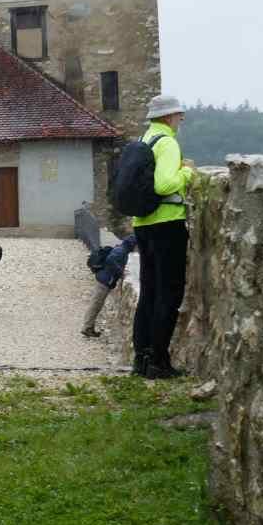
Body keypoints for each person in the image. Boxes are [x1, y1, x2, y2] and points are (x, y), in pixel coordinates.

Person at [131, 94, 197, 379]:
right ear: (169, 117)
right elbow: (164, 184)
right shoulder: (167, 142)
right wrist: (187, 173)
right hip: (168, 222)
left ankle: (142, 358)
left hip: (142, 223)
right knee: (169, 293)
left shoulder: (146, 140)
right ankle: (159, 360)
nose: (180, 120)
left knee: (148, 292)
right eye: (179, 115)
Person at [80, 231, 137, 337]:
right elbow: (111, 261)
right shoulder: (121, 251)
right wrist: (121, 273)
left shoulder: (120, 248)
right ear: (132, 245)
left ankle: (88, 327)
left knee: (96, 304)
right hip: (105, 281)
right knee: (96, 304)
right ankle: (87, 327)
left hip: (103, 279)